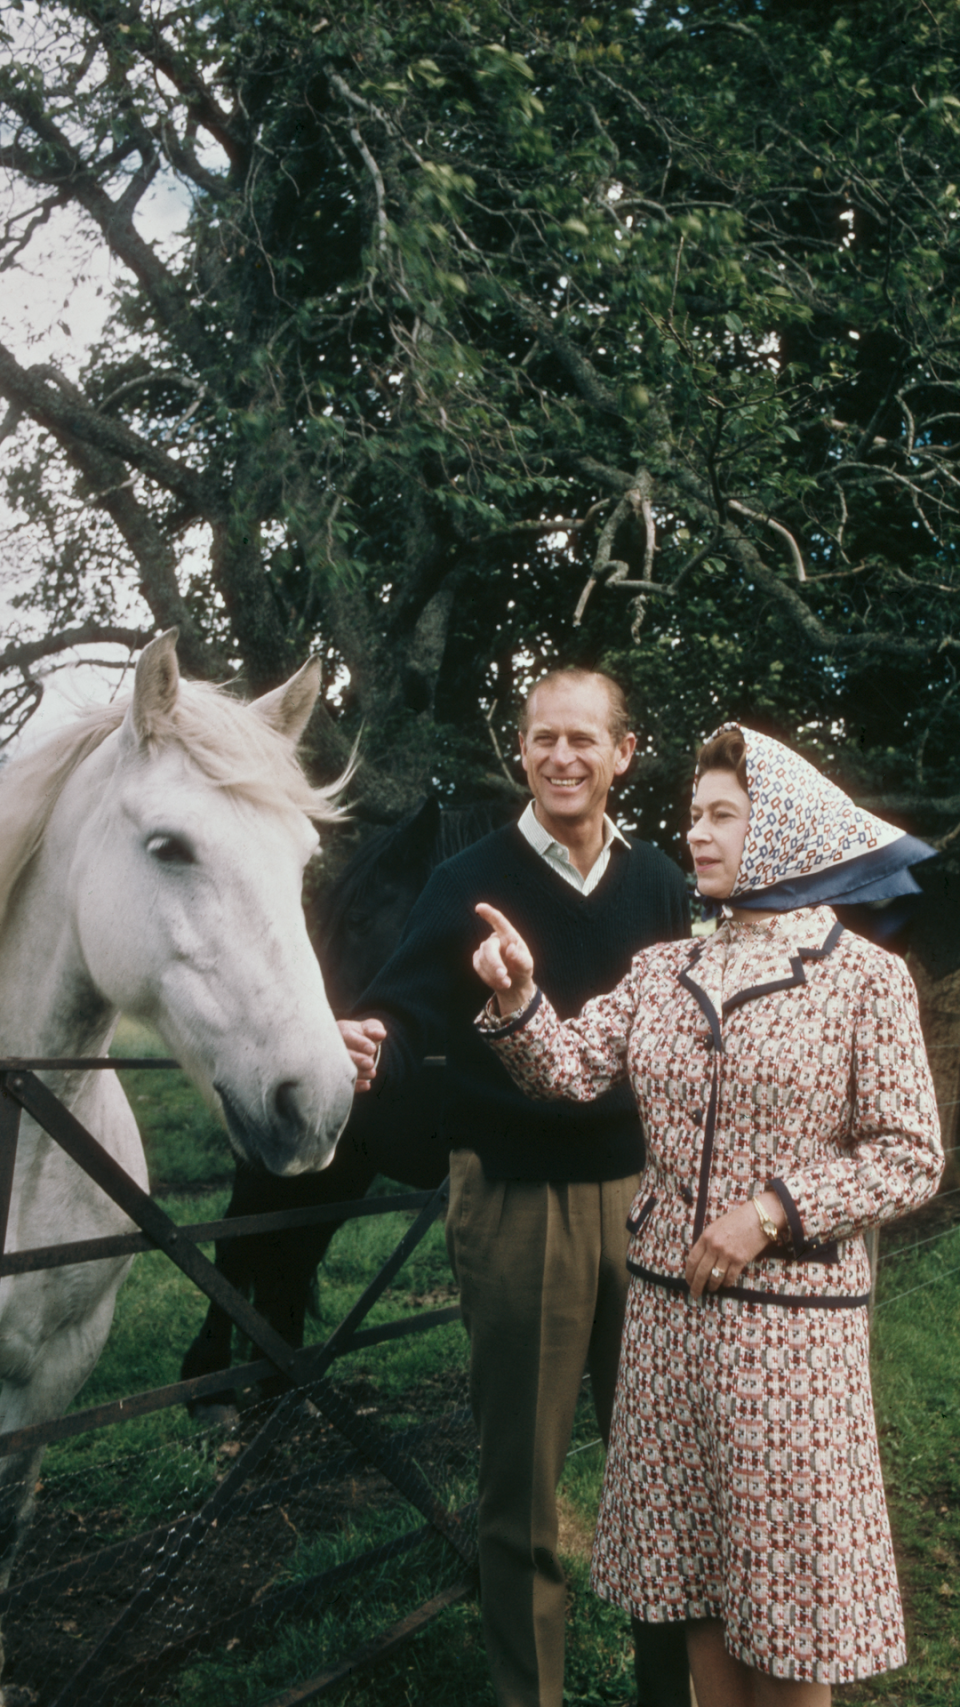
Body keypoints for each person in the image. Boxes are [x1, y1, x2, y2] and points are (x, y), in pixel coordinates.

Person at [471, 722, 943, 1707]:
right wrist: (518, 997)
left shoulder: (864, 978)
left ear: (783, 829)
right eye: (692, 815)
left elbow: (910, 1158)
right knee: (697, 1599)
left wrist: (769, 1211)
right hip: (667, 1329)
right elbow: (565, 1070)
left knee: (788, 1615)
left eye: (725, 815)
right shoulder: (659, 969)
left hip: (792, 1343)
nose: (697, 834)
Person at [339, 668, 692, 1707]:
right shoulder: (470, 879)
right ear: (523, 751)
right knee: (521, 1488)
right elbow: (404, 1015)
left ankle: (666, 1689)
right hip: (517, 1205)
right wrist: (372, 1045)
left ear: (624, 753)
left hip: (644, 1202)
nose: (562, 758)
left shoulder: (662, 883)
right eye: (543, 739)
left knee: (657, 1478)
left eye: (584, 740)